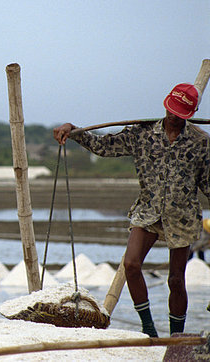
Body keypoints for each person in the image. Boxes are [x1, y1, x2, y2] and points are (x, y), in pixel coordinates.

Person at [53, 83, 210, 337]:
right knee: (131, 264)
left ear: (189, 114)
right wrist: (74, 131)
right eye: (171, 110)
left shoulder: (200, 142)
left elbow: (207, 184)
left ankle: (176, 336)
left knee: (176, 280)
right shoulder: (142, 134)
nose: (173, 116)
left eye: (180, 113)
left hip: (181, 216)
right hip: (148, 210)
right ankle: (149, 329)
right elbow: (104, 146)